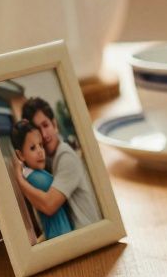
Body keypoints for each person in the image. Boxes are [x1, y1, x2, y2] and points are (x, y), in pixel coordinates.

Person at [18, 97, 101, 230]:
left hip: (88, 235)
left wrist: (20, 181)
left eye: (45, 125)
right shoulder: (49, 159)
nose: (44, 135)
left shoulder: (66, 157)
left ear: (55, 125)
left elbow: (49, 205)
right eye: (38, 130)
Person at [9, 119, 73, 241]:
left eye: (41, 145)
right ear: (20, 155)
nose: (40, 151)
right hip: (61, 235)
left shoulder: (35, 175)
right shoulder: (37, 178)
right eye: (33, 148)